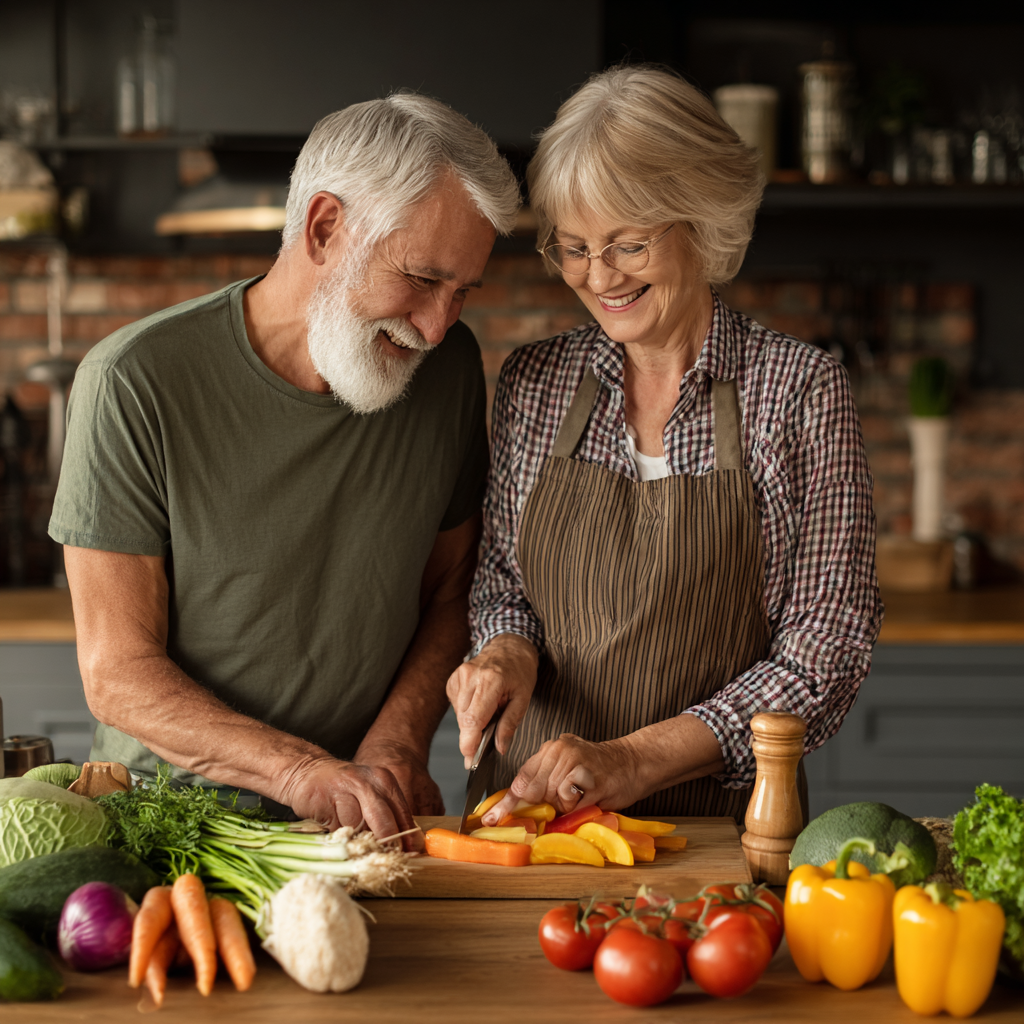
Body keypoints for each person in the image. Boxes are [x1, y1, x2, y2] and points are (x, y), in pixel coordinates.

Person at [49, 93, 521, 846]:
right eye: (423, 278)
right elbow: (117, 673)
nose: (438, 325)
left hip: (364, 826)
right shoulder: (133, 380)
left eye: (462, 290)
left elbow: (451, 586)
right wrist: (300, 773)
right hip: (175, 831)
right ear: (325, 228)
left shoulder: (448, 368)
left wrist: (397, 744)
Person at [447, 66, 883, 826]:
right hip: (528, 819)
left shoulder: (800, 391)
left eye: (628, 245)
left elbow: (824, 655)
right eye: (573, 247)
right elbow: (501, 584)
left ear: (703, 221)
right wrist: (505, 648)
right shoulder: (535, 382)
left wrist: (634, 760)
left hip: (716, 833)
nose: (597, 276)